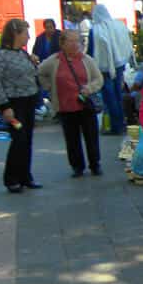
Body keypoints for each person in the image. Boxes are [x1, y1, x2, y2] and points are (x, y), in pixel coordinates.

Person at [39, 30, 104, 177]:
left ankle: (95, 164)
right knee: (71, 138)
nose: (75, 45)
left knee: (91, 136)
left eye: (78, 41)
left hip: (85, 104)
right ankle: (77, 166)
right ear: (62, 44)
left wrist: (89, 88)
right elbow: (40, 73)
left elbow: (98, 79)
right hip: (65, 106)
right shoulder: (54, 60)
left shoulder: (87, 60)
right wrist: (50, 88)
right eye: (71, 41)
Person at [0, 19, 44, 193]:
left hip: (28, 102)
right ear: (15, 34)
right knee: (19, 138)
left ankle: (25, 176)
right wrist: (4, 106)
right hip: (14, 104)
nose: (28, 37)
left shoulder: (22, 53)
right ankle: (11, 178)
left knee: (27, 139)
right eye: (25, 33)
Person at [87, 5, 132, 136]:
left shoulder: (95, 31)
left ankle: (115, 125)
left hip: (103, 68)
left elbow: (91, 51)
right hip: (118, 65)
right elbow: (126, 42)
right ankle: (121, 123)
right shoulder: (118, 26)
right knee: (118, 94)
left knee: (109, 96)